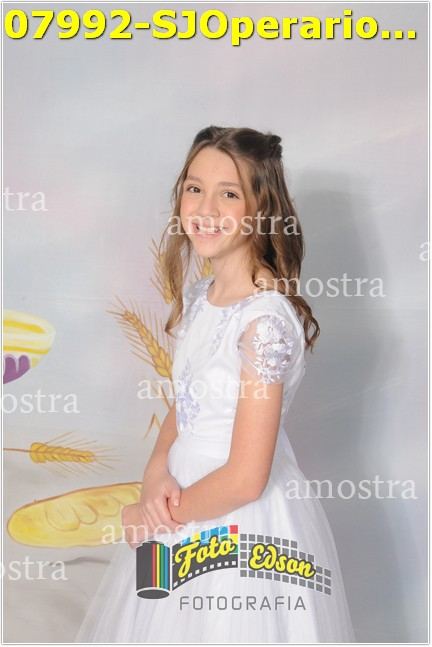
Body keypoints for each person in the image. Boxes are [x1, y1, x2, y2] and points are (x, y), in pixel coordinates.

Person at [74, 126, 356, 643]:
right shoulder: (202, 297)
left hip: (235, 521)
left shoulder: (263, 322)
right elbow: (189, 403)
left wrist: (154, 518)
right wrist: (156, 470)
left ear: (261, 208)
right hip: (180, 499)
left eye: (229, 194)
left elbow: (246, 478)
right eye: (194, 188)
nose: (205, 208)